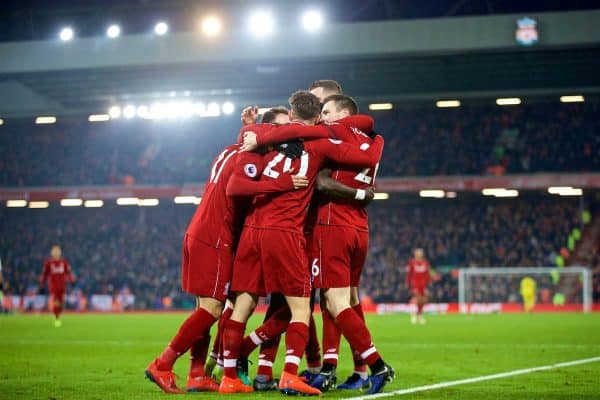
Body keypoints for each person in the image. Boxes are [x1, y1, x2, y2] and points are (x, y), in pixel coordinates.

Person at [221, 90, 383, 395]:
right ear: (317, 114)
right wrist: (374, 145)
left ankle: (231, 371)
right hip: (289, 232)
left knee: (249, 303)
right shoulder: (321, 143)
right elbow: (364, 156)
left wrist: (256, 127)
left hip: (253, 231)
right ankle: (293, 373)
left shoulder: (264, 137)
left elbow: (239, 174)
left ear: (292, 115)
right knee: (301, 307)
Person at [144, 114, 307, 394]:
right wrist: (286, 183)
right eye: (277, 130)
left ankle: (197, 375)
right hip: (217, 238)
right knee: (212, 309)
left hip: (199, 230)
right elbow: (238, 187)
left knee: (204, 309)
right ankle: (163, 363)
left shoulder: (229, 150)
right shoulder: (251, 157)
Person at [39, 245, 75, 327]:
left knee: (61, 303)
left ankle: (58, 314)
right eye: (54, 251)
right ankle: (56, 318)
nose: (56, 253)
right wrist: (42, 284)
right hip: (53, 286)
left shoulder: (64, 262)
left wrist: (72, 280)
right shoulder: (49, 263)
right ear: (52, 253)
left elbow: (68, 273)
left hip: (62, 286)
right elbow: (44, 274)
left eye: (57, 251)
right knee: (56, 301)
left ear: (60, 253)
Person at [406, 248, 431, 324]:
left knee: (424, 300)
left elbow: (427, 274)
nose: (419, 255)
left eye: (421, 253)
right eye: (418, 253)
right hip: (415, 284)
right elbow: (409, 274)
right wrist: (408, 284)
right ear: (415, 254)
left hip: (423, 284)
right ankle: (415, 315)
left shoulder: (426, 263)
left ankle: (418, 314)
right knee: (418, 299)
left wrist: (428, 284)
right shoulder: (412, 263)